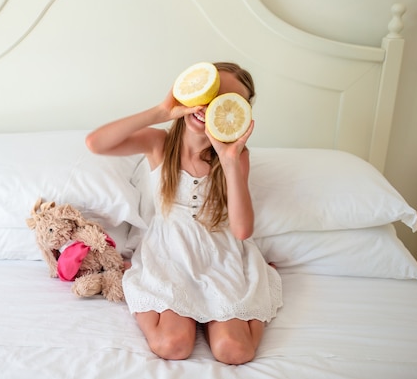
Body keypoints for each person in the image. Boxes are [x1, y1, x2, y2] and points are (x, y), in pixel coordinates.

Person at [85, 62, 282, 365]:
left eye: (223, 103)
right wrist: (162, 112)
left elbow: (242, 231)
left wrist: (229, 161)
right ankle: (154, 298)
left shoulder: (236, 158)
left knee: (235, 351)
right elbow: (95, 143)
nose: (208, 108)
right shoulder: (159, 144)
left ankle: (253, 296)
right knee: (172, 345)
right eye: (208, 95)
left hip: (219, 256)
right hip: (169, 254)